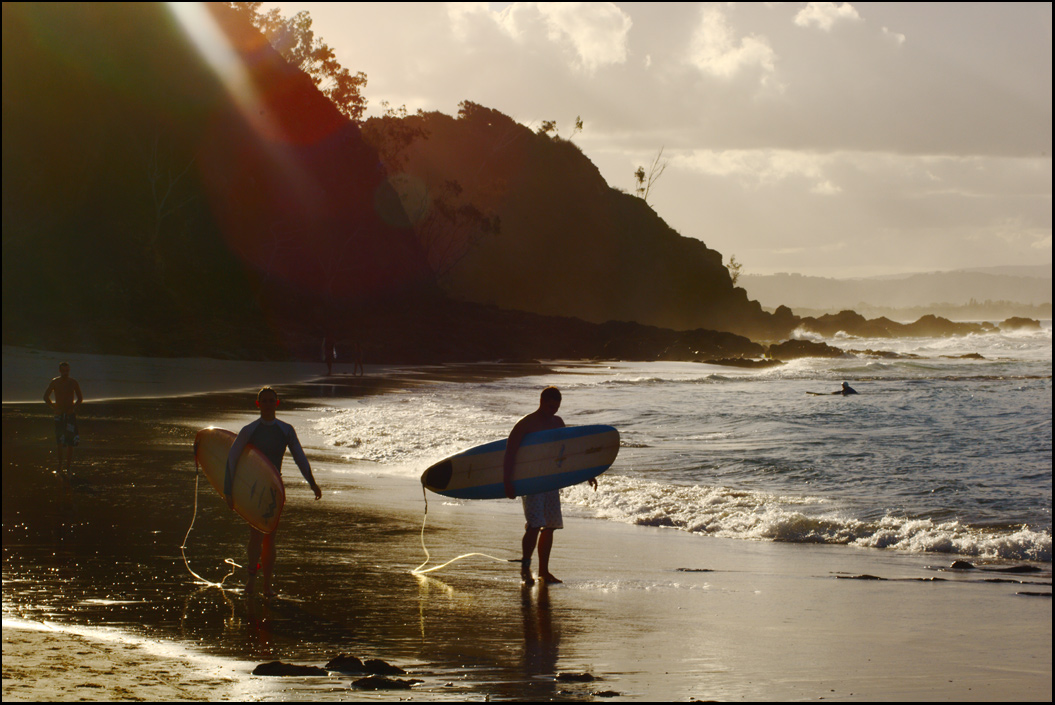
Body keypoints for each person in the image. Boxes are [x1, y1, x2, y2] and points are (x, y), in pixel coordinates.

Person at [225, 387, 322, 597]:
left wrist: (312, 482)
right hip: (252, 488)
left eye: (271, 401)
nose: (268, 404)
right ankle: (251, 580)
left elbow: (299, 457)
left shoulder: (285, 430)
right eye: (264, 401)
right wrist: (228, 490)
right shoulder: (249, 430)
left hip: (273, 489)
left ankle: (267, 585)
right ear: (258, 404)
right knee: (255, 535)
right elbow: (232, 458)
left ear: (277, 404)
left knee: (270, 537)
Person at [503, 387, 596, 585]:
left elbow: (567, 451)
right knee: (535, 524)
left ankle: (544, 571)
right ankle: (526, 567)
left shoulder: (557, 422)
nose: (553, 410)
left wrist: (587, 472)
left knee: (550, 526)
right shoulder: (526, 423)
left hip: (551, 481)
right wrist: (507, 481)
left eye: (557, 406)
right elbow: (510, 453)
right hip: (532, 481)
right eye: (550, 405)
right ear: (541, 401)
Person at [43, 362, 83, 474]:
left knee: (70, 442)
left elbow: (80, 398)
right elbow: (46, 397)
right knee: (59, 441)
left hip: (70, 414)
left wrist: (73, 408)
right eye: (63, 371)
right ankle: (60, 465)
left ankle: (68, 467)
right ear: (60, 371)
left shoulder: (73, 382)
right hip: (59, 415)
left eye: (67, 371)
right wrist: (54, 407)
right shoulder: (55, 382)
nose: (65, 373)